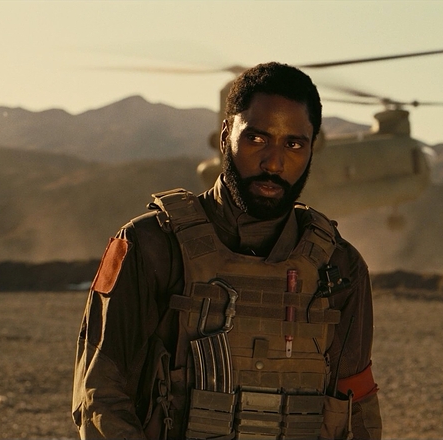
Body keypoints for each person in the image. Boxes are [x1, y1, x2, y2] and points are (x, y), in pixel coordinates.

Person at [72, 62, 382, 439]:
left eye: (294, 144)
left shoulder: (341, 265)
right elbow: (100, 395)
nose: (274, 162)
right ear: (225, 136)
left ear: (312, 149)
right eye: (256, 139)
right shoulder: (150, 245)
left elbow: (356, 407)